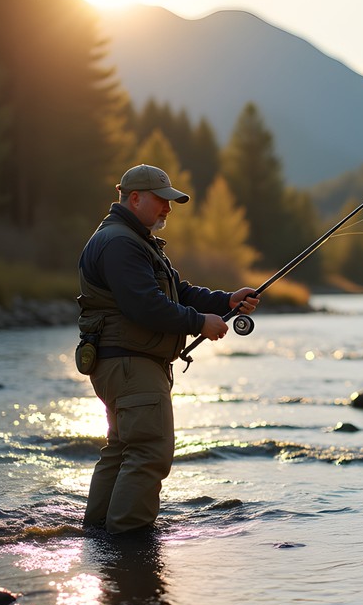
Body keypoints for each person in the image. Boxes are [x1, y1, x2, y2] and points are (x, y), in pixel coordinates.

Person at [77, 163, 259, 535]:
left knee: (121, 450)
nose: (168, 209)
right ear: (135, 198)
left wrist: (227, 300)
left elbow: (180, 292)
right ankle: (128, 540)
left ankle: (99, 536)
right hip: (131, 366)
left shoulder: (133, 240)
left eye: (170, 202)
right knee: (148, 452)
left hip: (123, 364)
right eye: (162, 201)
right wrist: (199, 323)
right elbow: (145, 306)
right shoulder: (121, 244)